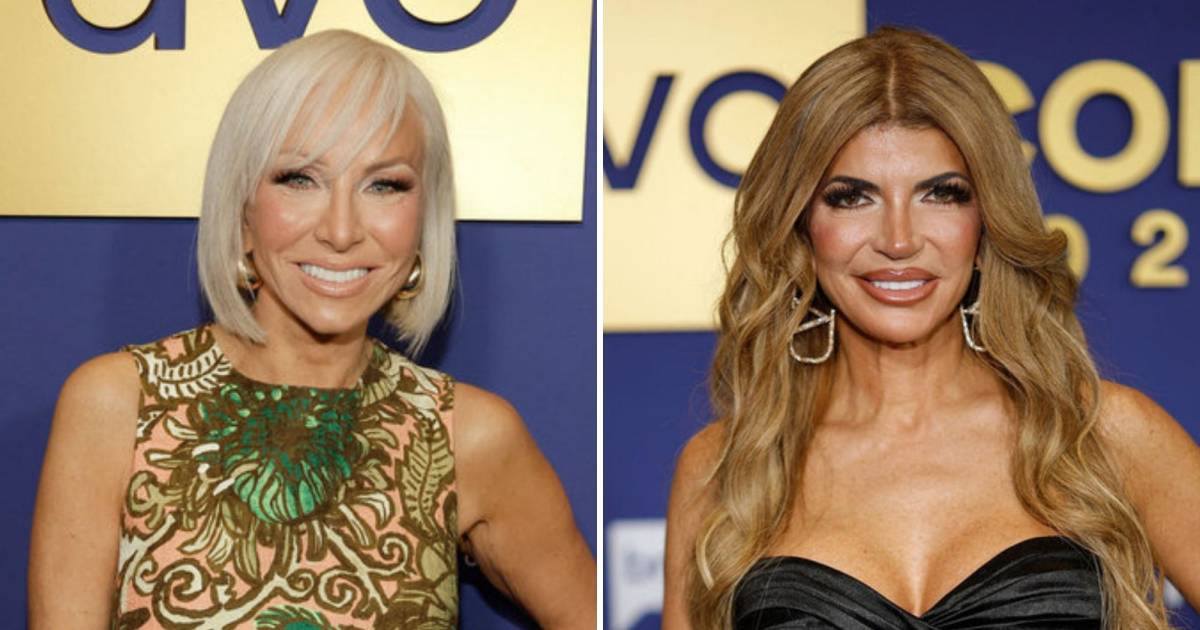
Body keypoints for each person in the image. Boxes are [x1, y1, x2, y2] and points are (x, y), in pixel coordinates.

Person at [29, 29, 594, 629]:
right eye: (300, 179)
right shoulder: (119, 406)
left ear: (424, 215)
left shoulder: (466, 436)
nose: (341, 230)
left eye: (384, 185)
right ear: (242, 206)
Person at [663, 27, 1200, 630]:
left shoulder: (1103, 435)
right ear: (801, 227)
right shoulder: (725, 469)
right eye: (852, 197)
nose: (898, 240)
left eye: (941, 194)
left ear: (987, 221)